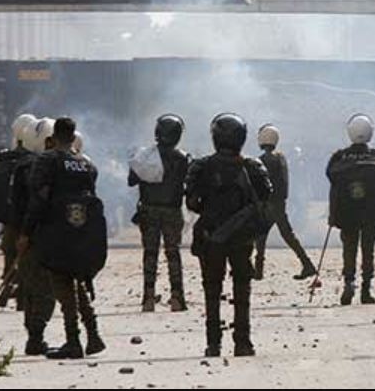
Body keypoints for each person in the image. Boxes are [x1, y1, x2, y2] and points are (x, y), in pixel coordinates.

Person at [19, 118, 107, 360]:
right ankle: (93, 335)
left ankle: (73, 341)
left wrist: (26, 232)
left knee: (62, 283)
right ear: (73, 136)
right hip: (83, 232)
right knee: (77, 282)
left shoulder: (47, 160)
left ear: (53, 137)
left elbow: (38, 199)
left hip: (56, 231)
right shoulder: (87, 164)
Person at [186, 113, 272, 358]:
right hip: (242, 236)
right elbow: (265, 195)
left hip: (211, 235)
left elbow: (191, 202)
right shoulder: (253, 166)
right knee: (242, 288)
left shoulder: (201, 166)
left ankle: (213, 343)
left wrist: (211, 211)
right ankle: (243, 342)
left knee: (212, 289)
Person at [326, 114, 375, 306]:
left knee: (349, 250)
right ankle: (366, 290)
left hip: (347, 212)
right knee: (368, 251)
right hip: (370, 213)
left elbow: (330, 176)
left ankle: (349, 282)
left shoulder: (339, 156)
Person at [128, 114, 191, 313]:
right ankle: (177, 297)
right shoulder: (182, 158)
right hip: (172, 210)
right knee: (173, 253)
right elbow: (189, 184)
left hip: (148, 210)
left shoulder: (145, 156)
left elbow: (131, 180)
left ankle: (148, 297)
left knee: (150, 253)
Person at [0, 114, 36, 308]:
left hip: (9, 219)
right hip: (28, 219)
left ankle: (9, 284)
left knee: (10, 255)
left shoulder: (3, 158)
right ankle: (20, 295)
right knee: (27, 258)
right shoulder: (36, 160)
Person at [12, 117, 57, 356]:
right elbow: (40, 204)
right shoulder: (47, 167)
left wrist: (23, 233)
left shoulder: (20, 167)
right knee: (47, 288)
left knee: (30, 286)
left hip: (24, 235)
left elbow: (16, 204)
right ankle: (36, 336)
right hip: (45, 235)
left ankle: (32, 334)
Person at [251, 124, 317, 281]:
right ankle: (307, 264)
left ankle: (259, 270)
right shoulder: (281, 158)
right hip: (279, 203)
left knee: (261, 234)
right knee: (285, 235)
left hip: (269, 203)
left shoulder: (262, 160)